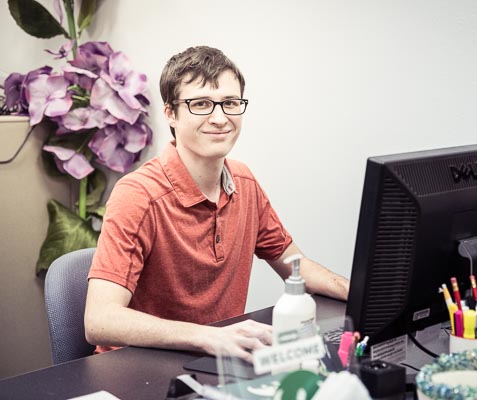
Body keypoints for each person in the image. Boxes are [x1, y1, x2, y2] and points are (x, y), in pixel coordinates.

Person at [84, 46, 349, 362]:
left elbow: (295, 265)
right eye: (201, 104)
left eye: (231, 103)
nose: (220, 118)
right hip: (136, 369)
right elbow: (99, 320)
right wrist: (208, 337)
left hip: (216, 359)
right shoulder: (138, 195)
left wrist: (367, 293)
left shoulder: (244, 182)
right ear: (170, 113)